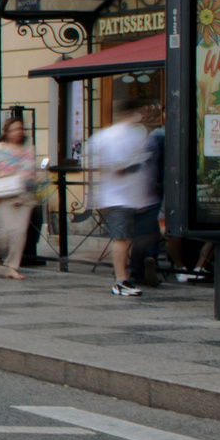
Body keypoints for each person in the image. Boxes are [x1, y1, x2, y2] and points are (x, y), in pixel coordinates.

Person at [88, 100, 158, 298]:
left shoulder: (138, 134)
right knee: (122, 238)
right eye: (138, 112)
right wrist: (129, 164)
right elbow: (105, 164)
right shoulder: (107, 137)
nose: (141, 116)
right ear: (129, 113)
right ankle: (121, 280)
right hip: (116, 198)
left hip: (137, 197)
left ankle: (138, 269)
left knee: (145, 235)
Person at [0, 116, 42, 280]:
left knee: (20, 232)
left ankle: (12, 266)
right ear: (6, 131)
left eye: (20, 129)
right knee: (6, 231)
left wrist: (36, 188)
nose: (17, 133)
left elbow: (33, 173)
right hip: (2, 196)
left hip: (23, 197)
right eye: (14, 129)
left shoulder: (27, 150)